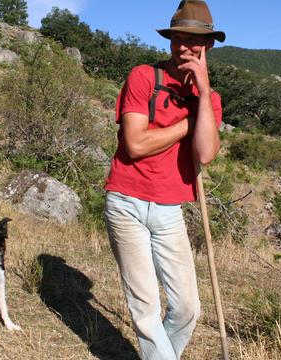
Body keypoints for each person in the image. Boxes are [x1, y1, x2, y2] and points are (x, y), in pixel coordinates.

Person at [103, 1, 225, 359]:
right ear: (170, 40)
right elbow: (136, 144)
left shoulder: (210, 100)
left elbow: (204, 154)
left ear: (209, 45)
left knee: (188, 308)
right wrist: (186, 125)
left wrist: (202, 94)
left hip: (170, 209)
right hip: (126, 201)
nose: (186, 46)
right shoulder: (143, 77)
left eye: (195, 40)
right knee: (146, 310)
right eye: (178, 38)